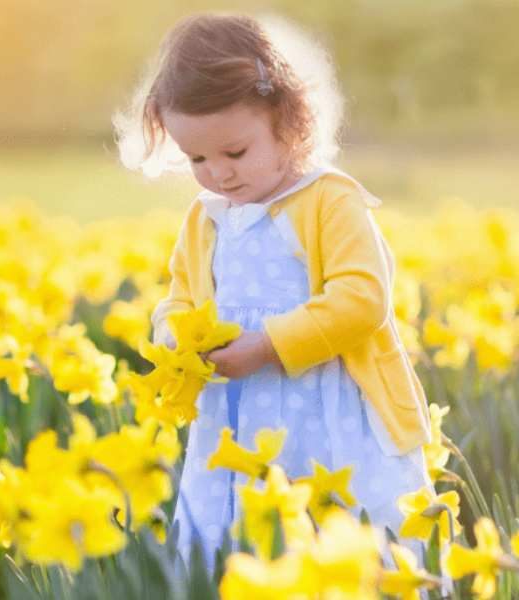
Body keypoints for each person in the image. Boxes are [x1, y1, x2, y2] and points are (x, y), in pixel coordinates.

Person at [115, 13, 432, 571]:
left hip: (331, 408)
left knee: (340, 538)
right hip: (232, 419)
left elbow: (362, 302)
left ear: (289, 121)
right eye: (197, 159)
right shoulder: (206, 217)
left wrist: (266, 346)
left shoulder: (329, 200)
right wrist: (173, 335)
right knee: (238, 541)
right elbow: (180, 297)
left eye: (234, 153)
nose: (218, 174)